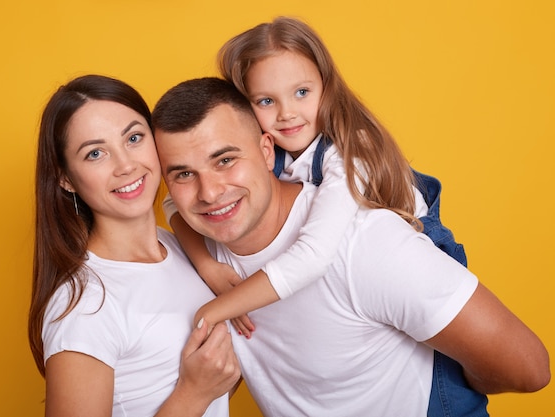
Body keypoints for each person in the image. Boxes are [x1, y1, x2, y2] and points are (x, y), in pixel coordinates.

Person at [152, 76, 550, 417]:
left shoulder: (363, 242)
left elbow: (527, 369)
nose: (209, 192)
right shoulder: (192, 255)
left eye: (224, 160)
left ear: (266, 149)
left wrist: (448, 384)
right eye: (184, 174)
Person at [27, 74, 240, 417]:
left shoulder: (180, 249)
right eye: (96, 153)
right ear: (65, 177)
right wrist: (194, 393)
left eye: (134, 138)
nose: (126, 165)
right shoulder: (85, 304)